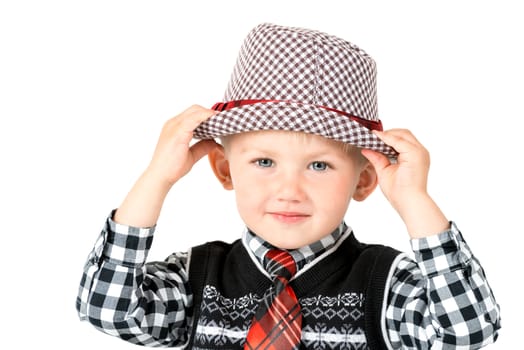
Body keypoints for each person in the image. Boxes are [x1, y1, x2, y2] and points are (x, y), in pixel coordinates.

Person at [76, 23, 500, 349]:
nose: (290, 189)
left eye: (319, 165)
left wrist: (415, 202)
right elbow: (108, 310)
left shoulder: (387, 283)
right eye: (264, 162)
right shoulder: (198, 279)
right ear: (224, 171)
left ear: (365, 179)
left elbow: (465, 332)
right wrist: (156, 179)